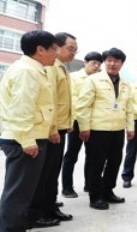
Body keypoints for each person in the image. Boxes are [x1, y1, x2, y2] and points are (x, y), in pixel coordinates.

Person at [0, 30, 58, 232]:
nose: (56, 54)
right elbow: (22, 108)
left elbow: (39, 106)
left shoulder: (34, 69)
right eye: (53, 49)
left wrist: (50, 130)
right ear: (40, 50)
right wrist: (27, 140)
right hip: (23, 140)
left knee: (23, 193)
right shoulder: (26, 71)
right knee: (17, 194)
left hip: (29, 137)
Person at [76, 47, 135, 210]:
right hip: (97, 129)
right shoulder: (93, 80)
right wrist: (84, 127)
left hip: (117, 130)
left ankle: (108, 191)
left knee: (115, 163)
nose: (112, 64)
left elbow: (129, 107)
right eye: (109, 60)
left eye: (116, 61)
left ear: (122, 63)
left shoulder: (125, 84)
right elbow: (82, 106)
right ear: (105, 62)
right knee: (96, 164)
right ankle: (95, 196)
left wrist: (130, 128)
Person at [28, 32, 76, 227]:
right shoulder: (50, 68)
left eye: (75, 50)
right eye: (70, 48)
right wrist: (53, 128)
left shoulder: (62, 68)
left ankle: (50, 206)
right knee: (45, 174)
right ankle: (38, 212)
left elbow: (64, 101)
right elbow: (51, 102)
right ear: (57, 46)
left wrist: (67, 124)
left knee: (52, 172)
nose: (73, 53)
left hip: (60, 128)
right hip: (51, 130)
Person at [62, 52, 103, 198]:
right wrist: (74, 121)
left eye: (99, 64)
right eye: (94, 63)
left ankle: (89, 184)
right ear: (85, 62)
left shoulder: (99, 79)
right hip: (77, 122)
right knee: (71, 155)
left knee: (92, 155)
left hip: (94, 123)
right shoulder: (74, 77)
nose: (96, 66)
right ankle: (67, 187)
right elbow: (73, 100)